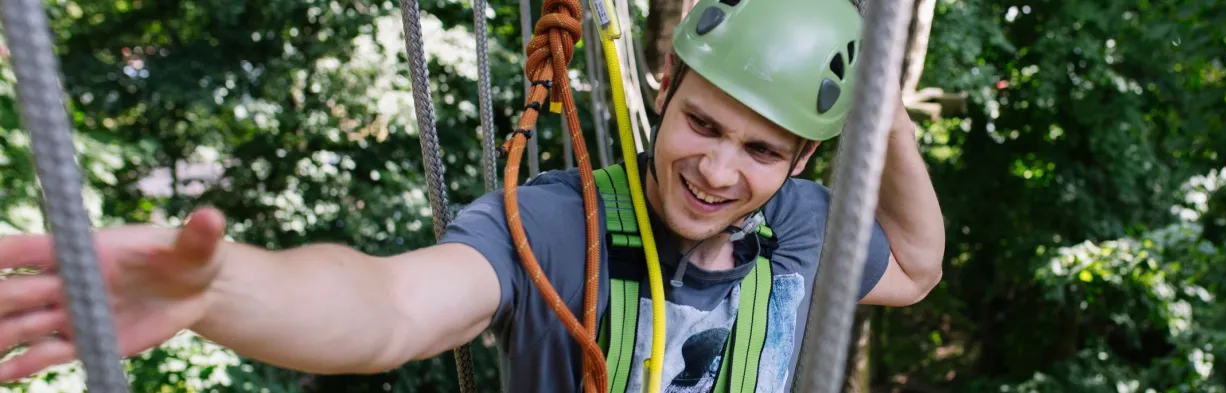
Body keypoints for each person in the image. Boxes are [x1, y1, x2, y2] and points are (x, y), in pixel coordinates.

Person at [0, 0, 945, 391]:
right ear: (667, 91)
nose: (718, 171)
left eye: (761, 150)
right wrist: (219, 292)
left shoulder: (801, 232)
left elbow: (915, 266)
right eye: (703, 125)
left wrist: (885, 121)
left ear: (799, 165)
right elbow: (391, 305)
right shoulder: (555, 223)